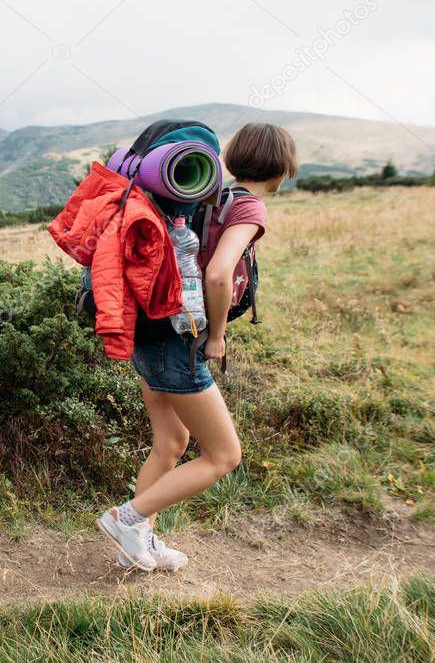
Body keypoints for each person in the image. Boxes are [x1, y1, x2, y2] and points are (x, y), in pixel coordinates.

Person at [97, 122, 298, 571]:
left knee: (171, 442)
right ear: (284, 169)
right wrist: (219, 336)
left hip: (150, 332)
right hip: (182, 339)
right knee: (223, 455)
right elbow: (218, 274)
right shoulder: (248, 209)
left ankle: (139, 545)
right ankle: (126, 518)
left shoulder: (202, 194)